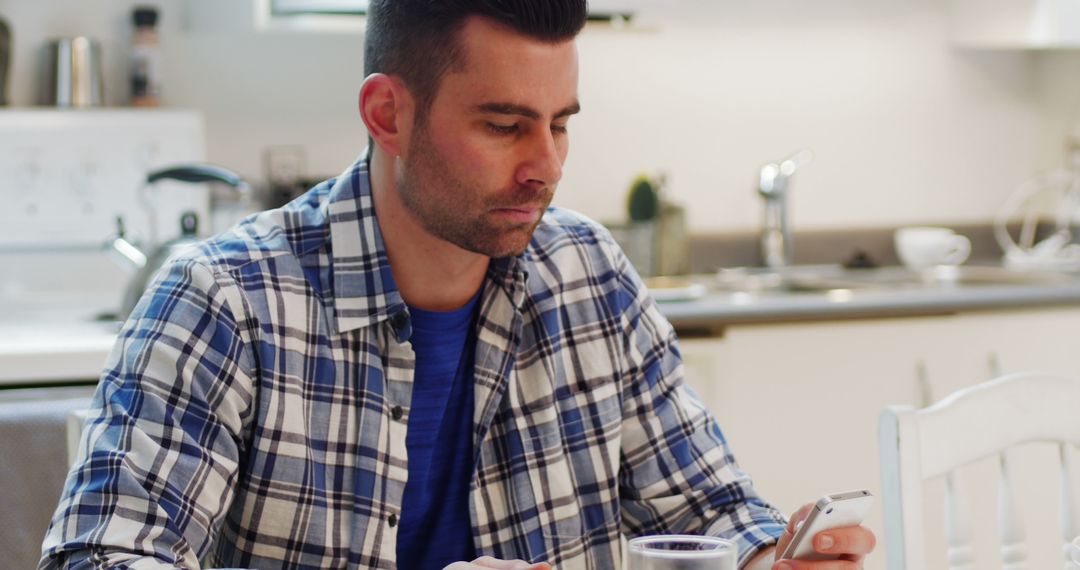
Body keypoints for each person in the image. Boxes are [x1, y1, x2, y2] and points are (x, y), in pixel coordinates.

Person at [40, 1, 875, 569]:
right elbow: (106, 554)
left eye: (559, 125)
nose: (545, 166)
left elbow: (708, 510)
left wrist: (773, 552)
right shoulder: (223, 302)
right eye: (504, 125)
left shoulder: (589, 275)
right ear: (387, 114)